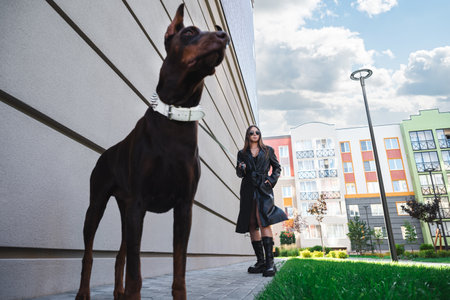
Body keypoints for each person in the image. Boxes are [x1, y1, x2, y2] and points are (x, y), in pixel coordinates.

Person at [235, 125, 288, 277]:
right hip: (248, 188)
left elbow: (277, 168)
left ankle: (270, 264)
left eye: (257, 132)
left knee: (263, 220)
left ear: (260, 135)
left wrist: (270, 181)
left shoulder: (268, 150)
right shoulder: (242, 153)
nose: (254, 134)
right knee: (251, 223)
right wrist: (241, 167)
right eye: (251, 132)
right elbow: (239, 173)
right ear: (247, 135)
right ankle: (261, 262)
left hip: (264, 188)